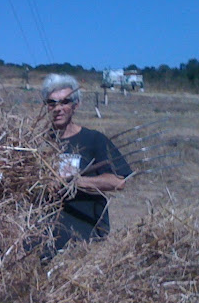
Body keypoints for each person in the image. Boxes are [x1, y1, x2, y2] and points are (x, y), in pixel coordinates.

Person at [41, 73, 132, 252]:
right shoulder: (39, 144)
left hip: (86, 237)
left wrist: (76, 182)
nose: (58, 108)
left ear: (76, 105)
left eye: (65, 102)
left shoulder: (93, 139)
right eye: (52, 102)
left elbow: (118, 181)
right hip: (46, 236)